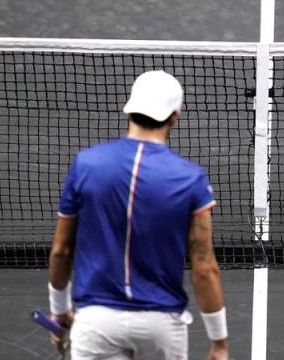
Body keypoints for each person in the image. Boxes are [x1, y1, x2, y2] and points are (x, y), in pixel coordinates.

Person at [47, 70, 229, 360]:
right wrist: (219, 343)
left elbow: (61, 251)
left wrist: (59, 311)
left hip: (96, 323)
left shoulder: (85, 165)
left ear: (130, 109)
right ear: (174, 116)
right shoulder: (190, 179)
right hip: (160, 326)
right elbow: (204, 268)